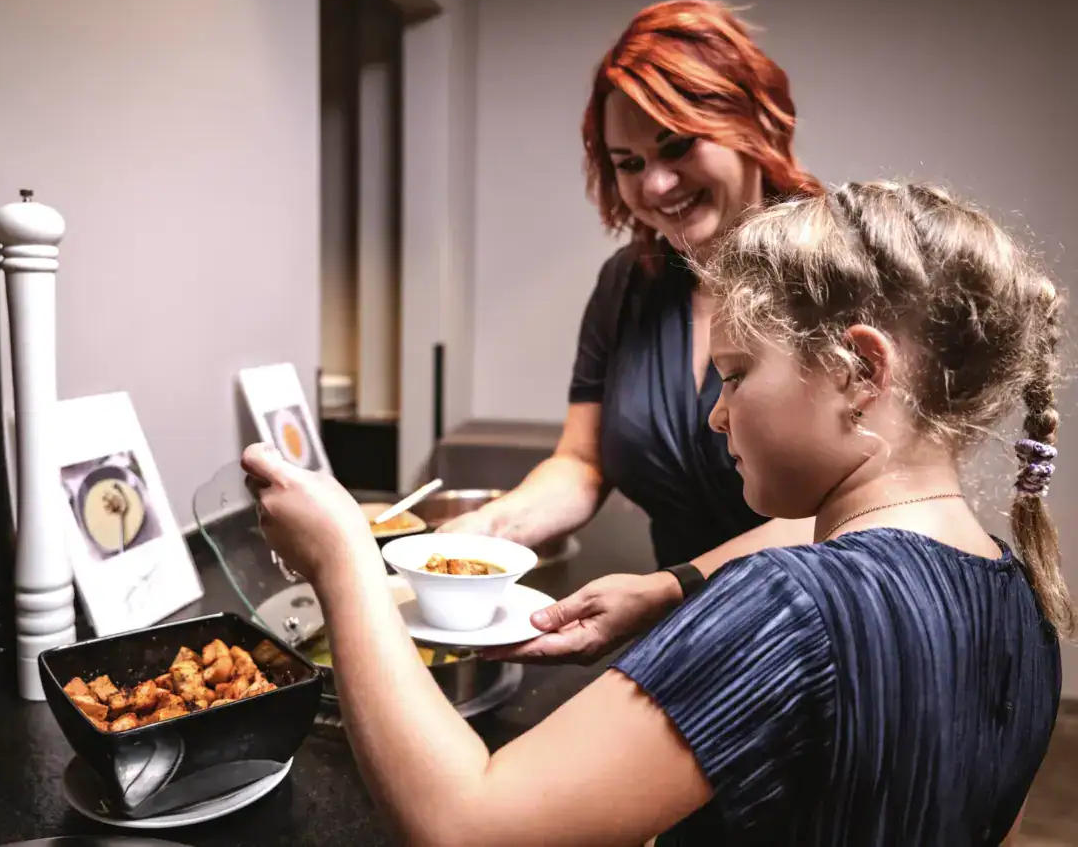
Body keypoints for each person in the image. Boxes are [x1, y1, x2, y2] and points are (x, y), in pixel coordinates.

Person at [243, 180, 1068, 845]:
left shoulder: (790, 607)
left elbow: (469, 824)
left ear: (859, 372)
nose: (716, 414)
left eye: (737, 375)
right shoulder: (1022, 597)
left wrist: (345, 557)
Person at [435, 0, 822, 663]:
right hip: (683, 637)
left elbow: (860, 516)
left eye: (677, 146)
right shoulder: (630, 283)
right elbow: (582, 463)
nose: (657, 184)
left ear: (750, 122)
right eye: (629, 161)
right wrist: (485, 533)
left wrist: (672, 589)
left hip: (814, 638)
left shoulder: (835, 272)